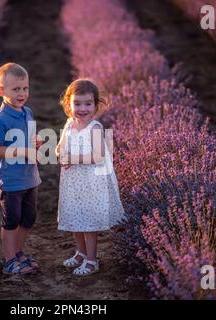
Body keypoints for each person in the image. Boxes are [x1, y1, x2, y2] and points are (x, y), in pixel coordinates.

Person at [56, 78, 126, 276]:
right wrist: (58, 153)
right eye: (77, 103)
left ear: (96, 105)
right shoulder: (70, 124)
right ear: (69, 104)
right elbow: (60, 146)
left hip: (90, 181)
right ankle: (80, 252)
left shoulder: (94, 128)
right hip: (72, 181)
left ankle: (92, 259)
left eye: (88, 103)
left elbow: (98, 156)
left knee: (88, 221)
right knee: (75, 217)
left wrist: (73, 158)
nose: (82, 108)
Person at [0, 62, 42, 275]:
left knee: (28, 218)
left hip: (30, 176)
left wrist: (35, 142)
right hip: (11, 179)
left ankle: (19, 253)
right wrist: (21, 151)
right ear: (2, 91)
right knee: (11, 219)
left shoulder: (27, 112)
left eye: (25, 88)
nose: (22, 93)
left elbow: (28, 140)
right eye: (16, 89)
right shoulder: (0, 119)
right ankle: (10, 260)